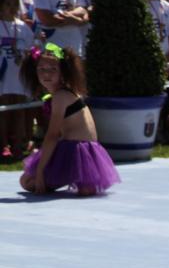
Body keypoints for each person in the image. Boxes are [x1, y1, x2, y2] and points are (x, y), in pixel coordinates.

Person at [19, 43, 120, 195]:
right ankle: (65, 177)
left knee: (29, 182)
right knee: (26, 181)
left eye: (53, 69)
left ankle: (64, 176)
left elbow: (52, 135)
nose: (46, 74)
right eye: (42, 69)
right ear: (35, 72)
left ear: (63, 72)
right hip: (75, 147)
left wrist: (40, 171)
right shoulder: (68, 92)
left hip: (81, 150)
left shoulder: (60, 96)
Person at [0, 0, 33, 160]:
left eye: (15, 4)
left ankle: (19, 143)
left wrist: (25, 56)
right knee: (4, 109)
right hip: (3, 75)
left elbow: (31, 49)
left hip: (19, 74)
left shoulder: (22, 27)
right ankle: (4, 144)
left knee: (20, 109)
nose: (12, 7)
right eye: (8, 4)